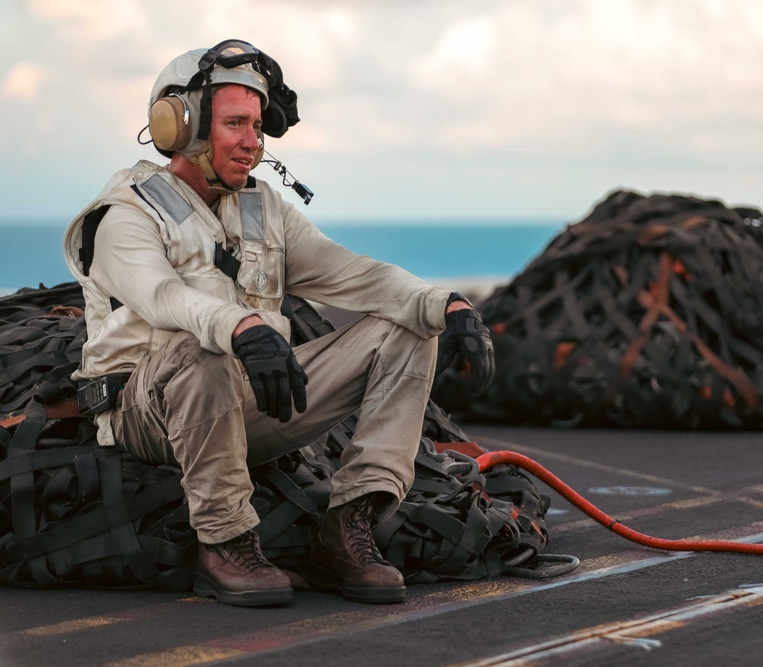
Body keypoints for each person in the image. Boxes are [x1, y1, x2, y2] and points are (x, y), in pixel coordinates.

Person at [63, 40, 495, 607]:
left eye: (257, 126)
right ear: (181, 125)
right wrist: (240, 327)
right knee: (206, 348)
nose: (253, 143)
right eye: (236, 124)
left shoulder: (263, 208)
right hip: (148, 414)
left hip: (245, 401)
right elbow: (162, 296)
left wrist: (445, 305)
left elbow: (352, 273)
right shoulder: (126, 214)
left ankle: (350, 527)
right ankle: (225, 544)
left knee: (407, 327)